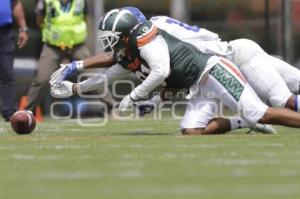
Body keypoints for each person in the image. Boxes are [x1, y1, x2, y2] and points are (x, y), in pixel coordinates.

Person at [50, 9, 300, 135]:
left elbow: (162, 71)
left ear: (129, 33)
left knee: (280, 102)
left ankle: (253, 117)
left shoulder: (149, 38)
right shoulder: (132, 51)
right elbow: (108, 74)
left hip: (225, 60)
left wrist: (135, 97)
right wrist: (74, 86)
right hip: (203, 76)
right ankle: (244, 120)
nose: (108, 44)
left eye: (112, 38)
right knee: (191, 130)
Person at [25, 0, 91, 112]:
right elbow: (40, 20)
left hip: (77, 46)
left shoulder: (81, 1)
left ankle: (112, 107)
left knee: (93, 74)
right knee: (41, 78)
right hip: (53, 46)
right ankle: (27, 111)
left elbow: (85, 18)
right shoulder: (46, 1)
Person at [0, 0, 28, 121]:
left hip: (4, 32)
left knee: (7, 73)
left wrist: (23, 29)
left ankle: (10, 113)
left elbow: (16, 4)